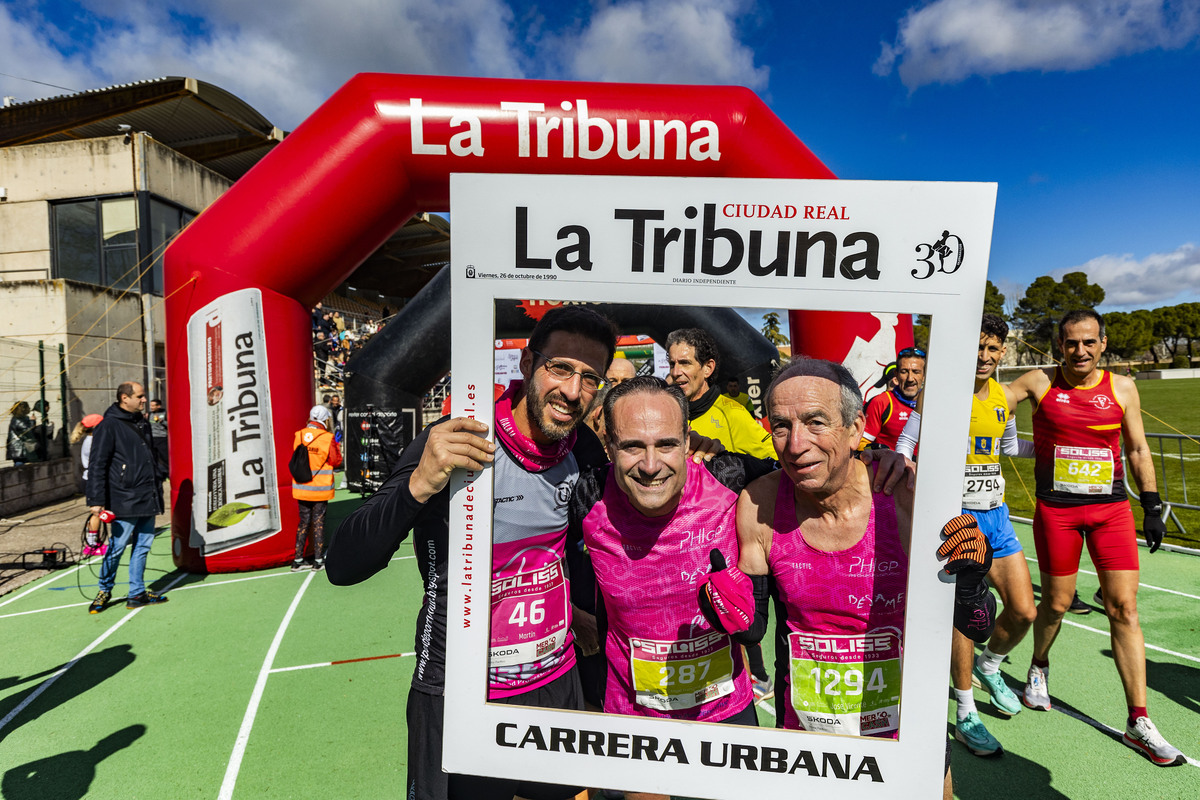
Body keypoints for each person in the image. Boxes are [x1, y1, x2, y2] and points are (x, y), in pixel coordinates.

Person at [327, 306, 619, 800]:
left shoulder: (581, 447)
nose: (573, 391)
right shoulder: (460, 439)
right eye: (560, 368)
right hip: (458, 692)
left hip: (555, 681)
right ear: (527, 365)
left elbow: (575, 543)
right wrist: (418, 485)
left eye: (590, 378)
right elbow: (344, 564)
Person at [703, 358, 993, 799]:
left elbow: (977, 624)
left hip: (907, 732)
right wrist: (725, 600)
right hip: (806, 738)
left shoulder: (906, 495)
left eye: (816, 422)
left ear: (856, 429)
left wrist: (972, 583)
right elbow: (753, 627)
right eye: (781, 426)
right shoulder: (759, 503)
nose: (796, 444)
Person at [1005, 309, 1184, 766]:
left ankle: (1138, 720)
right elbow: (988, 404)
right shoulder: (1039, 382)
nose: (1079, 351)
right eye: (1070, 343)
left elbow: (1139, 447)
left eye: (1088, 342)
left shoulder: (1122, 387)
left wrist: (1151, 505)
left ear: (1103, 343)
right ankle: (1039, 665)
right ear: (1058, 345)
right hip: (1057, 514)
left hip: (1111, 513)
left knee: (1123, 607)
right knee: (1057, 603)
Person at [895, 314, 1038, 756]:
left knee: (1023, 611)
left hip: (996, 514)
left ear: (1002, 352)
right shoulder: (939, 395)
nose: (984, 356)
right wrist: (905, 463)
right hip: (958, 521)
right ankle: (965, 711)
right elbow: (905, 441)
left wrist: (1053, 448)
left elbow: (1009, 446)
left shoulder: (1005, 398)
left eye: (993, 348)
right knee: (966, 616)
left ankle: (991, 665)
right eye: (977, 347)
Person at [85, 381, 168, 613]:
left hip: (147, 495)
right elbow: (97, 464)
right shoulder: (108, 425)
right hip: (123, 498)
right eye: (140, 396)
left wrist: (160, 475)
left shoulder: (143, 422)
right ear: (124, 398)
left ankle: (137, 592)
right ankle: (104, 589)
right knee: (117, 546)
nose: (144, 400)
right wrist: (95, 500)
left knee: (142, 546)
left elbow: (151, 455)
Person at [666, 327, 775, 460]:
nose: (676, 372)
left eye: (685, 363)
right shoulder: (668, 413)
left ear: (708, 368)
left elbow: (779, 462)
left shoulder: (733, 414)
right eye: (672, 364)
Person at [291, 405, 342, 572]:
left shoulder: (299, 435)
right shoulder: (327, 438)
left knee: (304, 522)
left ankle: (297, 560)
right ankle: (318, 560)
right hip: (320, 488)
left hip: (301, 486)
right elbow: (336, 461)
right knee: (318, 522)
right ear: (325, 419)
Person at [860, 346, 925, 451]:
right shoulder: (882, 402)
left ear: (924, 375)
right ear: (896, 375)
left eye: (916, 372)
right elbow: (861, 444)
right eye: (904, 372)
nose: (910, 378)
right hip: (888, 466)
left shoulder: (934, 404)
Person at [71, 413, 107, 556]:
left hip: (91, 478)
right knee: (97, 512)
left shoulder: (91, 439)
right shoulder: (93, 441)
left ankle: (94, 540)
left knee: (99, 512)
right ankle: (92, 544)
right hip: (92, 479)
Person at [7, 401, 35, 466]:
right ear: (23, 409)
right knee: (19, 467)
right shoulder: (17, 420)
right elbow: (27, 431)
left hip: (21, 448)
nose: (29, 409)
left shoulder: (22, 418)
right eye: (28, 407)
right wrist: (32, 421)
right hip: (19, 449)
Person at [147, 399, 168, 475]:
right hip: (153, 438)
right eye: (150, 405)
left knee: (164, 457)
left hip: (162, 437)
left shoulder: (165, 413)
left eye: (153, 405)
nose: (151, 407)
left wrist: (161, 421)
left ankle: (168, 473)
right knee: (154, 457)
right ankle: (158, 473)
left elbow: (171, 425)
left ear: (158, 406)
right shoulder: (150, 414)